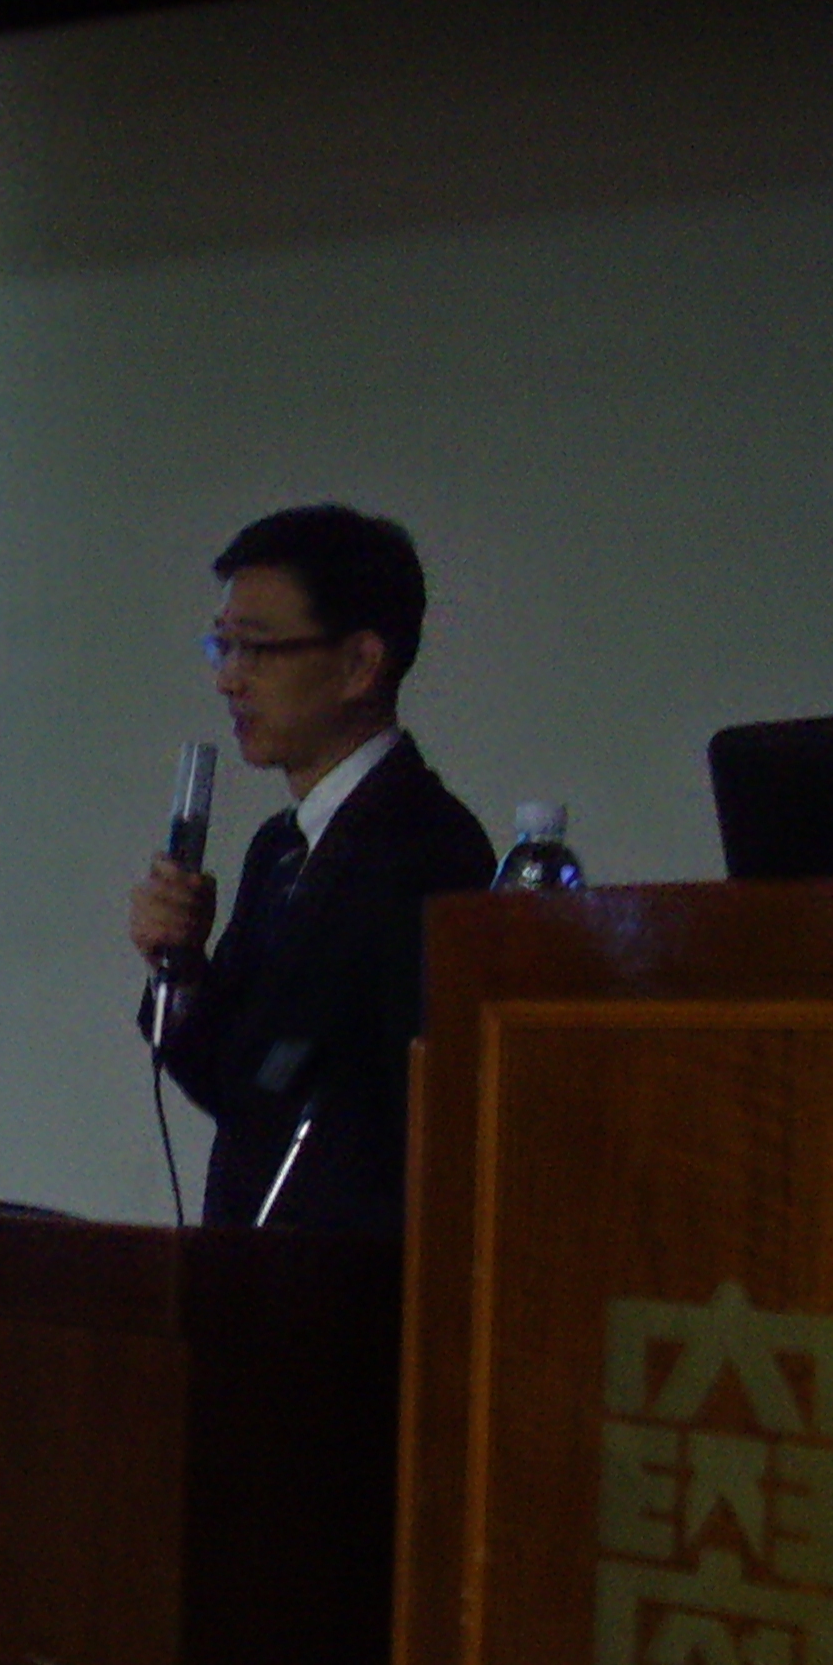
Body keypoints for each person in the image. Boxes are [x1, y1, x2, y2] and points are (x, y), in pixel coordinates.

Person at [128, 505, 497, 1235]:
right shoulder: (279, 847)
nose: (228, 680)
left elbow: (379, 1114)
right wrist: (183, 968)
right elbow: (238, 1085)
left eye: (257, 649)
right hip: (257, 1265)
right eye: (222, 646)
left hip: (350, 1274)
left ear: (360, 664)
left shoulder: (427, 847)